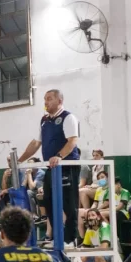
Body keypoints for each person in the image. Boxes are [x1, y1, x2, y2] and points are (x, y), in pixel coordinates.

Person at [17, 89, 81, 247]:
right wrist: (19, 160)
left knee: (69, 204)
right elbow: (35, 143)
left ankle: (70, 239)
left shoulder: (68, 117)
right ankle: (57, 238)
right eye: (45, 99)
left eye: (50, 99)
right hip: (51, 168)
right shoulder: (44, 120)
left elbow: (72, 141)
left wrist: (59, 156)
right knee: (48, 201)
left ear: (60, 101)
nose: (46, 102)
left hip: (66, 167)